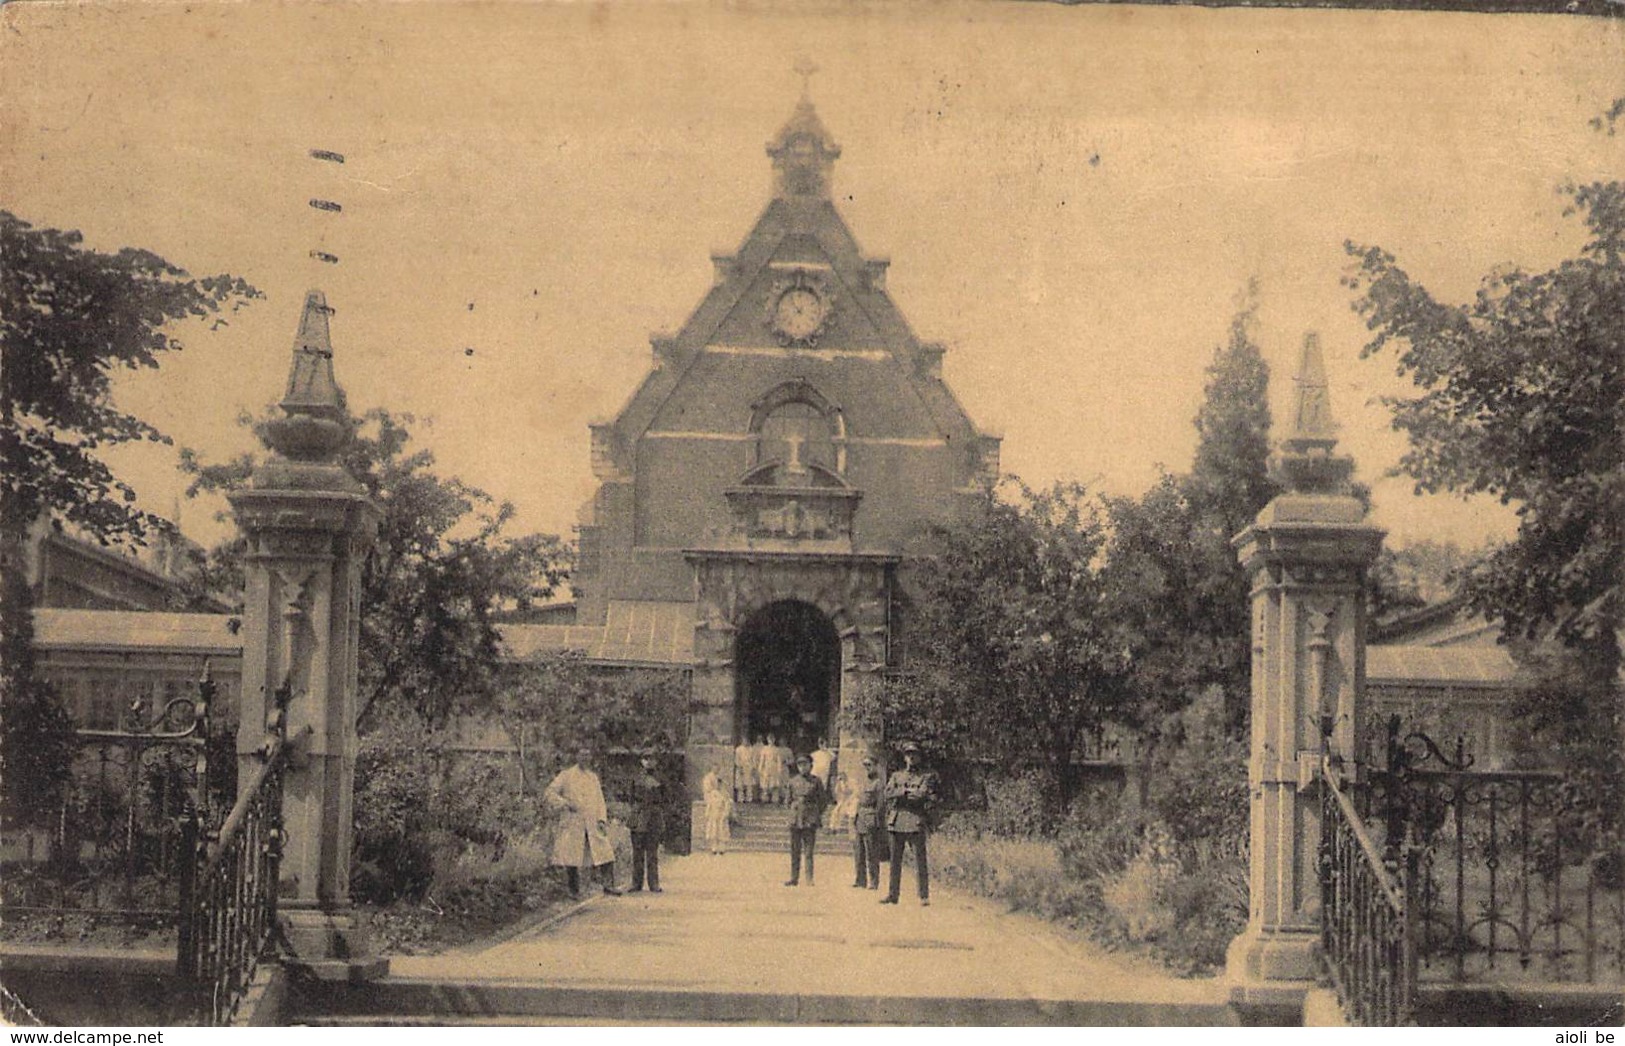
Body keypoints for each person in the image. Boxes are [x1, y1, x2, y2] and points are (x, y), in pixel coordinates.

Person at [543, 746, 620, 898]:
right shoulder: (566, 776)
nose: (585, 758)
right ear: (577, 756)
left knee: (606, 852)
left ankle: (608, 885)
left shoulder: (593, 777)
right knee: (572, 857)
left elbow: (600, 800)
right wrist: (564, 803)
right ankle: (574, 890)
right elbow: (549, 793)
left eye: (588, 755)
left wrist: (602, 819)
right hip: (573, 822)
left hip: (592, 822)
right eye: (582, 755)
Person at [880, 741, 937, 906]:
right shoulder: (896, 775)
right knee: (895, 861)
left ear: (919, 757)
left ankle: (923, 896)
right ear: (904, 757)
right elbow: (887, 793)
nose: (911, 757)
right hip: (896, 821)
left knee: (920, 860)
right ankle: (893, 894)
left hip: (915, 820)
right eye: (908, 754)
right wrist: (906, 791)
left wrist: (901, 794)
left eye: (914, 754)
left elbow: (921, 795)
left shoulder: (926, 776)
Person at [783, 753, 828, 887]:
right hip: (795, 819)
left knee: (808, 851)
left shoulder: (816, 781)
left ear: (811, 766)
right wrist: (793, 813)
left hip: (809, 820)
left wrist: (815, 814)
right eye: (800, 765)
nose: (802, 767)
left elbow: (823, 802)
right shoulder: (792, 781)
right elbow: (788, 801)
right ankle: (794, 878)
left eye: (805, 765)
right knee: (794, 850)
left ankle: (809, 879)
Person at [627, 754, 666, 893]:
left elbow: (665, 798)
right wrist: (635, 812)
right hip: (638, 816)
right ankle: (636, 883)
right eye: (646, 759)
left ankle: (653, 883)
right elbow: (630, 796)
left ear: (656, 761)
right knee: (637, 852)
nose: (649, 762)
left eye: (652, 759)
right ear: (642, 761)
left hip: (654, 816)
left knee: (652, 852)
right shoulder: (636, 777)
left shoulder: (660, 778)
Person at [851, 753, 886, 890]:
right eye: (864, 765)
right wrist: (855, 817)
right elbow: (859, 801)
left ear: (876, 766)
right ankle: (860, 880)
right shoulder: (863, 782)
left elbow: (881, 804)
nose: (867, 768)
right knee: (858, 852)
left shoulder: (878, 783)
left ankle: (874, 881)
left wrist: (876, 820)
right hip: (860, 817)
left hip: (871, 818)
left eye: (869, 765)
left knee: (871, 852)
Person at [701, 762, 734, 855]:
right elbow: (710, 802)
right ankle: (714, 848)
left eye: (717, 768)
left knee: (722, 830)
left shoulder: (723, 794)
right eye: (715, 768)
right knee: (714, 830)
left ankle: (722, 848)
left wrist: (726, 813)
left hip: (721, 814)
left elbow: (726, 802)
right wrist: (707, 813)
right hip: (714, 813)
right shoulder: (708, 780)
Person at [757, 733, 785, 805]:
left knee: (774, 785)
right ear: (767, 740)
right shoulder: (764, 749)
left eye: (772, 739)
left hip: (774, 768)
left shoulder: (777, 749)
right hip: (766, 768)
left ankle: (774, 799)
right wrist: (760, 768)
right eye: (769, 739)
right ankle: (765, 799)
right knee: (765, 785)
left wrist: (779, 770)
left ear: (774, 740)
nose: (771, 741)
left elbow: (779, 761)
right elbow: (762, 760)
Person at [734, 736, 756, 804]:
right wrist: (739, 767)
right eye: (744, 740)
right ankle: (741, 799)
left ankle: (749, 799)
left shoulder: (751, 749)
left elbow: (753, 760)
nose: (745, 742)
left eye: (746, 740)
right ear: (742, 741)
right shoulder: (738, 749)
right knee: (740, 785)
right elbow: (737, 759)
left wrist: (753, 768)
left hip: (749, 767)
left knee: (749, 784)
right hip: (741, 767)